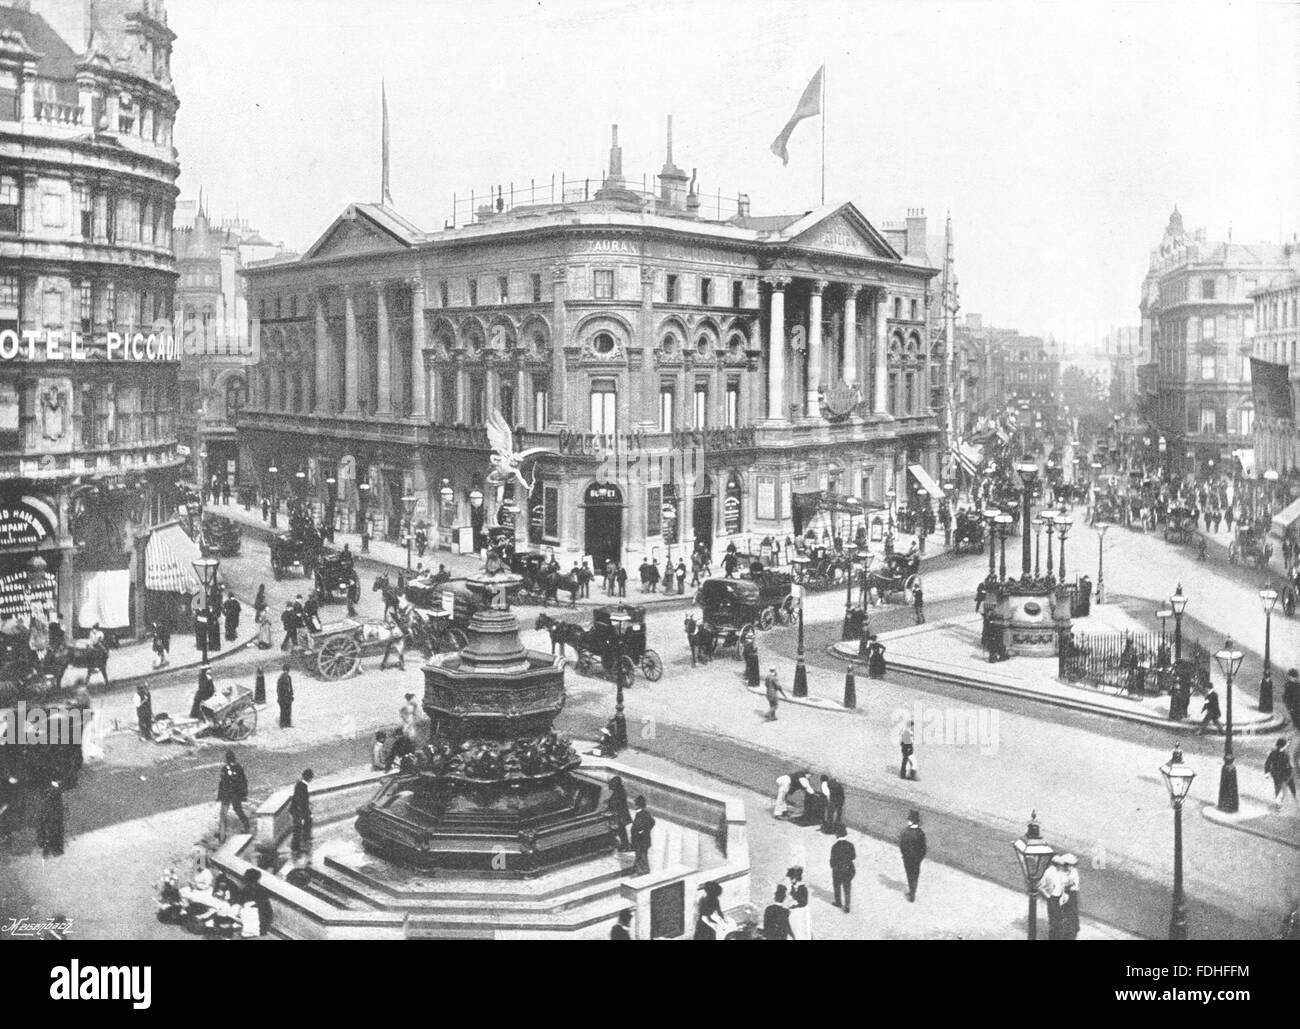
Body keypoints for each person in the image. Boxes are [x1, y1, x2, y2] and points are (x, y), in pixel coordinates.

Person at [216, 749, 251, 842]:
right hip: (233, 795)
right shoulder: (238, 768)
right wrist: (244, 795)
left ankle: (222, 835)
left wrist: (219, 796)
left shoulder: (227, 768)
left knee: (224, 814)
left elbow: (222, 783)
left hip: (229, 795)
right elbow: (244, 782)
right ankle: (246, 826)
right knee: (237, 811)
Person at [899, 809, 927, 902]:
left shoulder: (906, 833)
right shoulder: (921, 833)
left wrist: (904, 855)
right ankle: (913, 892)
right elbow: (923, 849)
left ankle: (911, 893)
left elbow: (902, 846)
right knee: (915, 876)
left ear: (912, 821)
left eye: (909, 820)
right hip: (917, 860)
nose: (908, 821)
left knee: (909, 875)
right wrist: (920, 858)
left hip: (908, 859)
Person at [1265, 738, 1297, 811]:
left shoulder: (1285, 752)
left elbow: (1288, 762)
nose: (1280, 748)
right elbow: (1267, 763)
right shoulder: (1273, 753)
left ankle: (1284, 802)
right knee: (1278, 788)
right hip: (1277, 774)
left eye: (1281, 746)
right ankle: (1278, 805)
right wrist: (1267, 773)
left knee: (1288, 788)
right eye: (1279, 746)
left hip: (1286, 773)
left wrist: (1291, 769)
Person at [1038, 855, 1066, 940]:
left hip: (1060, 898)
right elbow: (1040, 886)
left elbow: (1062, 884)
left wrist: (1063, 895)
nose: (1061, 866)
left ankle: (1058, 937)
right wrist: (1048, 897)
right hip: (1053, 899)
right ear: (1055, 864)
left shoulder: (1060, 871)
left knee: (1060, 919)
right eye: (1060, 864)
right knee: (1054, 921)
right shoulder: (1049, 872)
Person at [829, 827, 856, 914]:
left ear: (837, 835)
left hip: (838, 870)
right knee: (847, 887)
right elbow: (853, 857)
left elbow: (832, 860)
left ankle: (838, 902)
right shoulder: (850, 845)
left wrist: (833, 866)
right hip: (848, 869)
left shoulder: (835, 846)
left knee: (837, 885)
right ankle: (847, 905)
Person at [37, 779, 64, 858]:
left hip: (51, 809)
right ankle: (50, 846)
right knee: (50, 825)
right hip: (49, 807)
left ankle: (50, 846)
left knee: (52, 825)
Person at [290, 768, 313, 857]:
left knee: (299, 828)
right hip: (298, 812)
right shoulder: (302, 786)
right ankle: (295, 849)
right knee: (297, 829)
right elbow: (301, 802)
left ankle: (298, 846)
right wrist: (303, 815)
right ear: (309, 778)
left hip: (297, 811)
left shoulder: (301, 784)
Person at [630, 795, 654, 876]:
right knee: (641, 854)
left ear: (637, 805)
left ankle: (643, 870)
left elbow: (638, 826)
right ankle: (636, 868)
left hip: (640, 840)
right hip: (644, 839)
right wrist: (647, 830)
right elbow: (652, 822)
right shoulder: (646, 813)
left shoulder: (640, 814)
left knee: (641, 855)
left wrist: (641, 832)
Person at [606, 775, 631, 851]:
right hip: (620, 815)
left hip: (620, 816)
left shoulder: (620, 792)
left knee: (620, 830)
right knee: (619, 830)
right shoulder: (619, 791)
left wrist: (610, 808)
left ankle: (625, 845)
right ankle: (622, 844)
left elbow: (616, 803)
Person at [1058, 853, 1081, 940]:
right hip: (1063, 895)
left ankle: (1072, 933)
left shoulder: (1074, 872)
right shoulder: (1061, 872)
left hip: (1072, 895)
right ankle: (1065, 933)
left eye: (1072, 865)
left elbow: (1075, 883)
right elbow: (1061, 883)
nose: (1070, 867)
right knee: (1064, 914)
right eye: (1068, 865)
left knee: (1072, 913)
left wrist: (1068, 884)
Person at [785, 867, 810, 940]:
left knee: (801, 932)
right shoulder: (794, 887)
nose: (790, 880)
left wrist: (794, 904)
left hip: (801, 913)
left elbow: (804, 903)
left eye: (791, 878)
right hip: (796, 913)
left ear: (796, 878)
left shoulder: (802, 888)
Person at [277, 664, 294, 729]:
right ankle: (283, 724)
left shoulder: (286, 677)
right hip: (284, 698)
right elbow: (283, 689)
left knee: (287, 710)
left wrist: (291, 695)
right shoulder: (284, 677)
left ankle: (287, 724)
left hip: (287, 697)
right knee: (284, 711)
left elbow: (290, 687)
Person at [1284, 670, 1300, 734]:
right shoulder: (1288, 685)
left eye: (1293, 677)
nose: (1291, 678)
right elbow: (1286, 695)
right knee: (1295, 719)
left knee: (1296, 719)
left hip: (1296, 705)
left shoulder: (1297, 685)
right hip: (1292, 705)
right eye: (1290, 677)